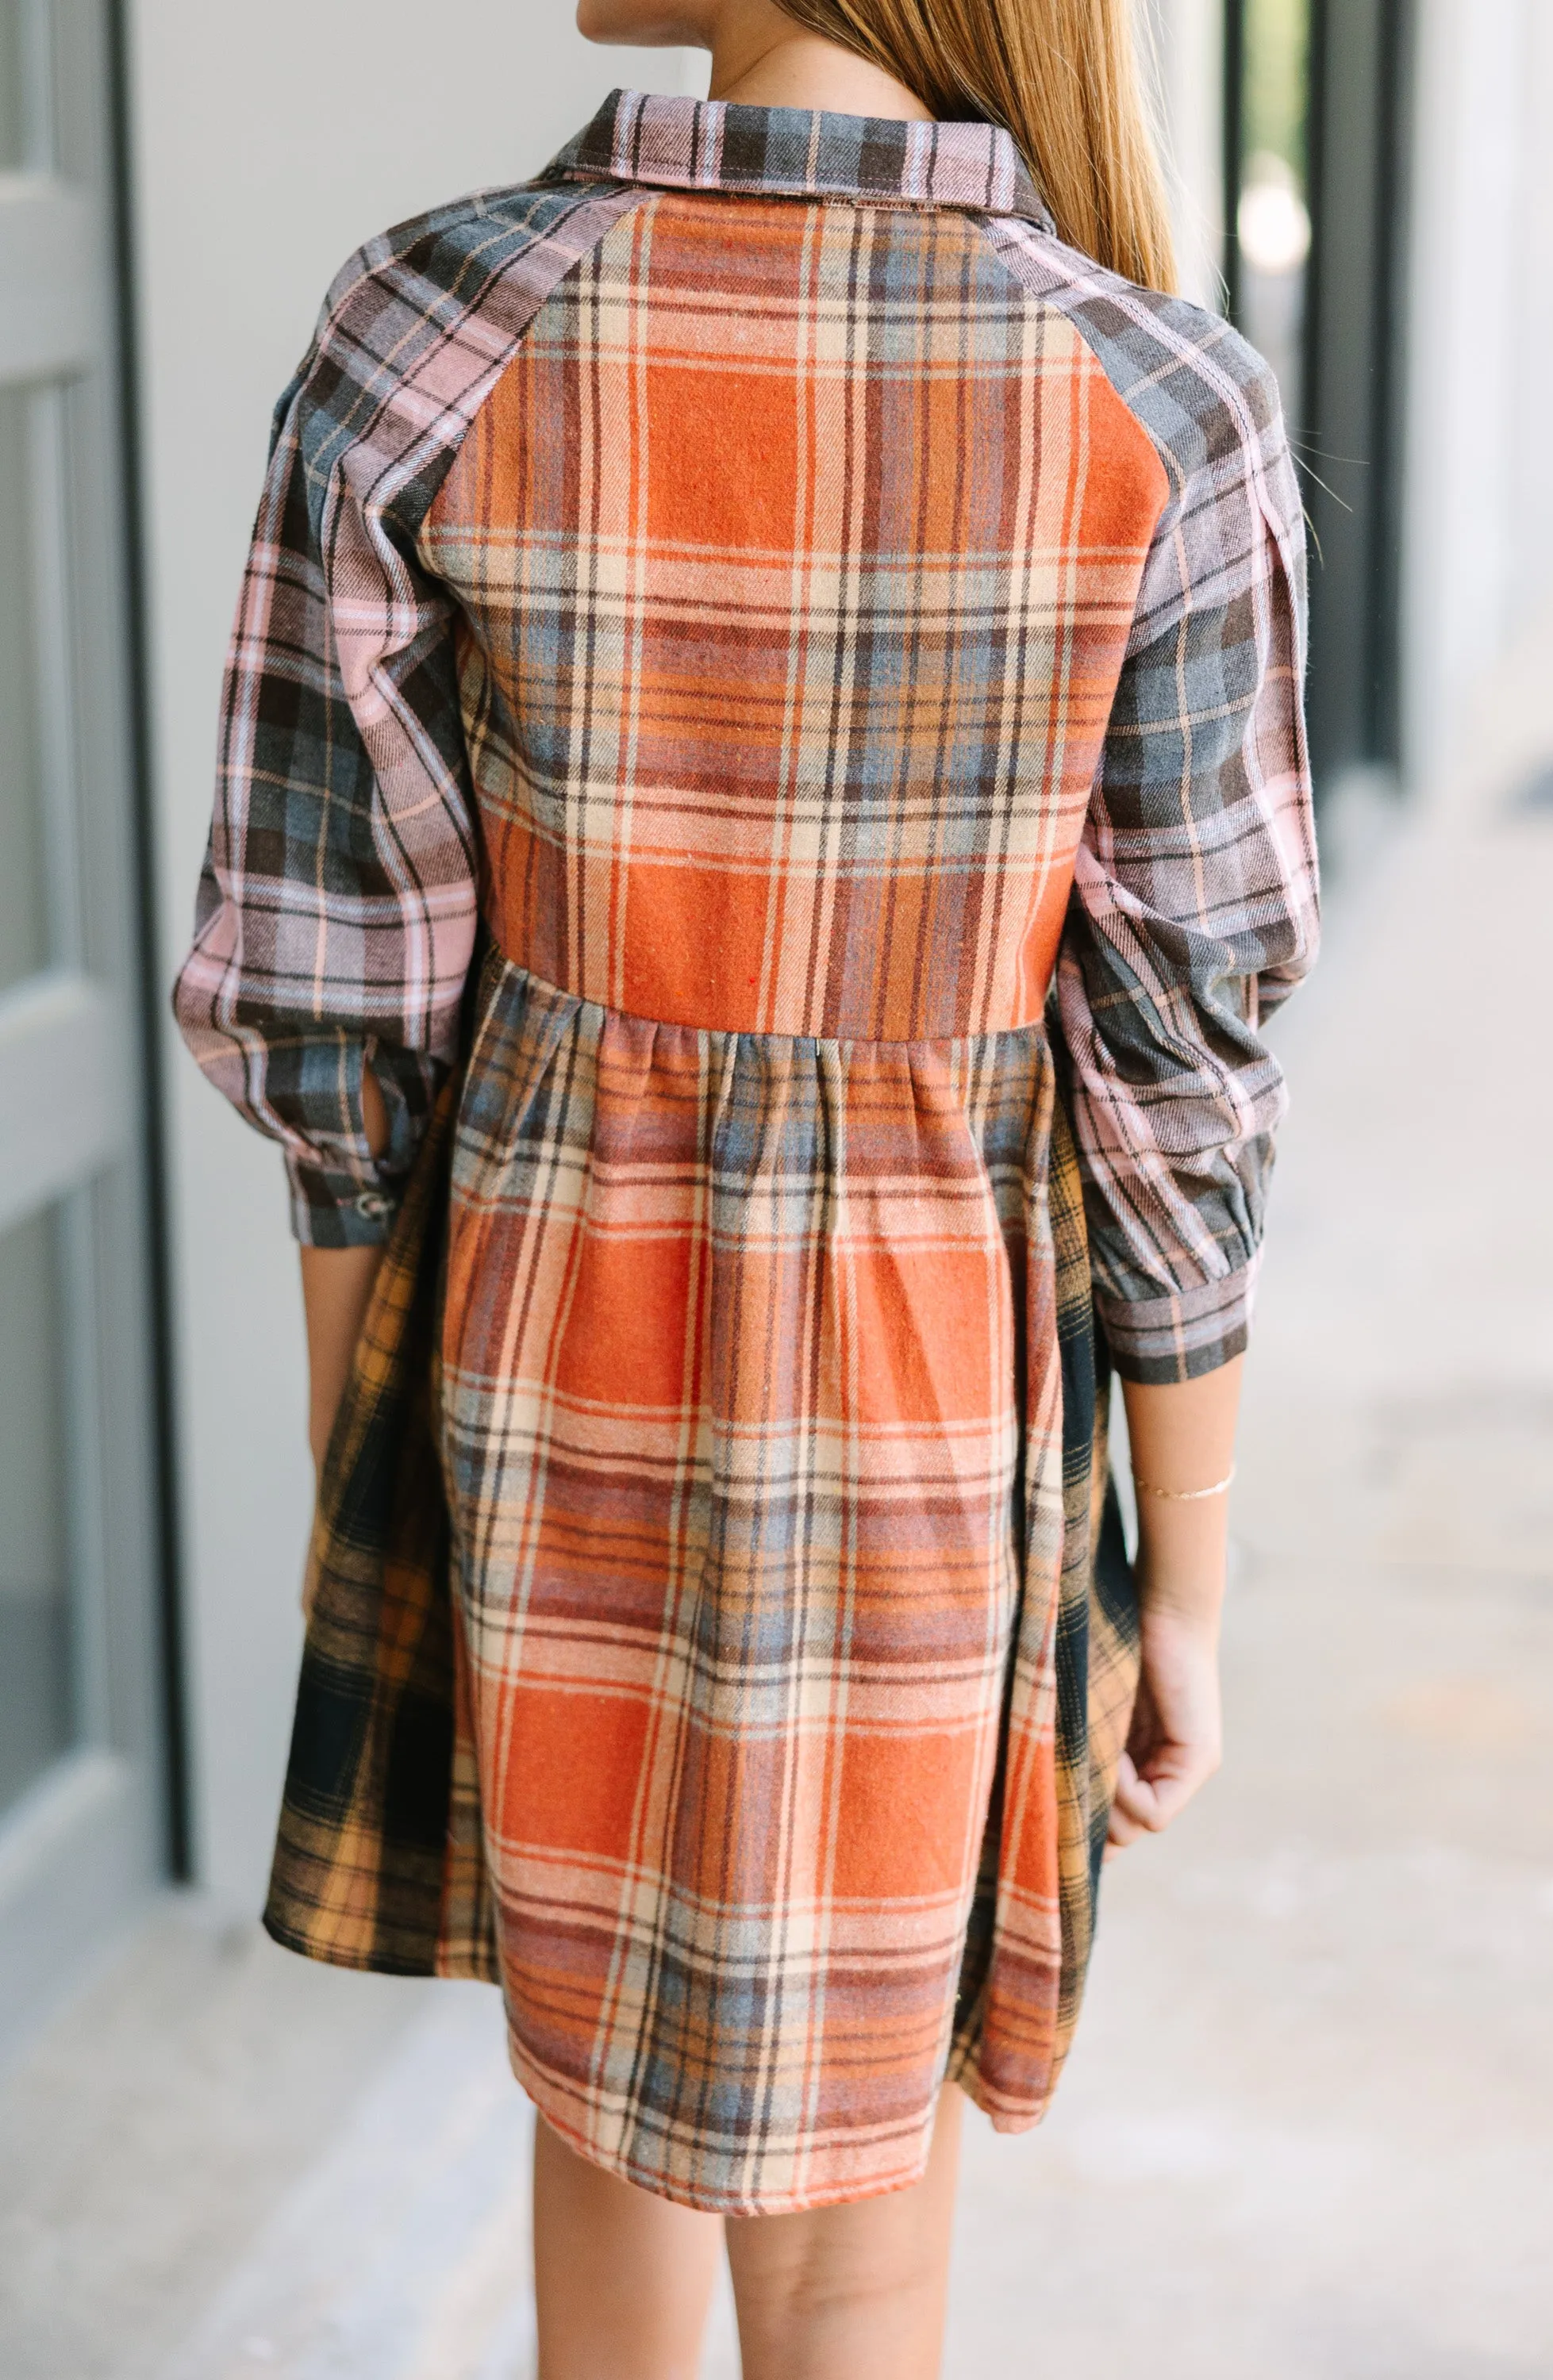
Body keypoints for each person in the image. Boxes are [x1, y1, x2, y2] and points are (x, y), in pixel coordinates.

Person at [173, 0, 1319, 2370]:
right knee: (859, 2201)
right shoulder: (1156, 397)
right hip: (933, 1388)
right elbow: (1180, 1054)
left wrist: (356, 1456)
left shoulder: (437, 319)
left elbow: (332, 994)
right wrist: (1183, 1572)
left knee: (594, 2121)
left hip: (541, 1348)